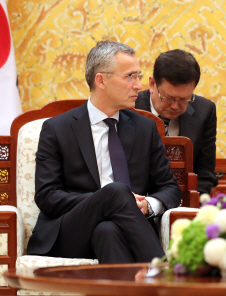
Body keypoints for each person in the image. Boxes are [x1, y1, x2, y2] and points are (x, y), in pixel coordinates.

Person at [27, 41, 182, 263]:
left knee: (107, 230)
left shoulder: (145, 128)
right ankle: (164, 272)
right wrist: (105, 201)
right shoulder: (57, 128)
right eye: (130, 76)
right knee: (115, 192)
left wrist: (147, 206)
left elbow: (169, 188)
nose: (138, 85)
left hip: (124, 232)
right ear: (101, 80)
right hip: (71, 233)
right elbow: (47, 196)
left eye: (138, 76)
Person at [135, 49, 218, 196]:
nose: (175, 106)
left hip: (183, 201)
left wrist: (189, 208)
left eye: (184, 99)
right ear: (152, 84)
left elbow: (205, 173)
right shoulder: (129, 108)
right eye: (168, 97)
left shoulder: (205, 111)